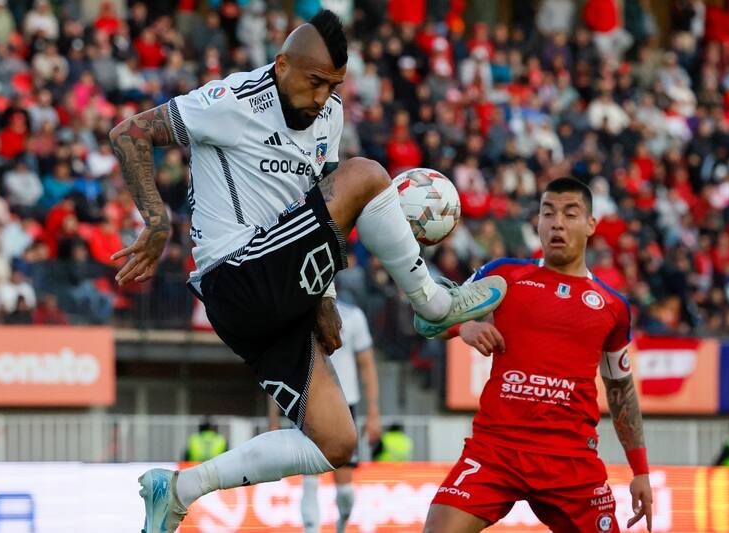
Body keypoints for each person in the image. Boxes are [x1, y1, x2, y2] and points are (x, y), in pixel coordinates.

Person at [107, 11, 506, 533]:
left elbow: (318, 210)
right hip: (236, 273)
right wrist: (158, 223)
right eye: (314, 81)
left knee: (336, 442)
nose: (322, 97)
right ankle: (432, 303)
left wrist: (324, 298)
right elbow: (128, 132)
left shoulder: (330, 116)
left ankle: (179, 489)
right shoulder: (232, 101)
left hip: (275, 293)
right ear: (281, 65)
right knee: (367, 175)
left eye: (333, 85)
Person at [422, 178, 653, 533]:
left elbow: (620, 389)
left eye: (570, 213)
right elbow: (427, 317)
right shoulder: (503, 275)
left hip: (571, 461)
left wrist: (640, 471)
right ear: (538, 222)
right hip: (496, 451)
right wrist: (463, 327)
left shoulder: (612, 306)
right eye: (548, 213)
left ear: (591, 225)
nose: (557, 222)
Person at [267, 298, 381, 533]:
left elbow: (367, 364)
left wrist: (373, 411)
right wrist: (274, 417)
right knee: (309, 477)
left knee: (345, 490)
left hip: (345, 404)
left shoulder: (353, 316)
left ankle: (342, 525)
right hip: (307, 403)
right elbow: (279, 366)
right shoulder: (296, 313)